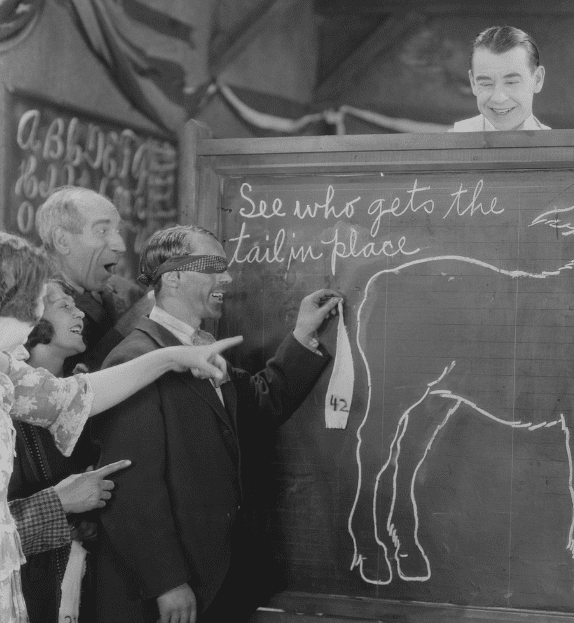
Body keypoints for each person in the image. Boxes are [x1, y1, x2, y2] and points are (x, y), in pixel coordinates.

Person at [89, 225, 340, 623]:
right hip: (176, 590)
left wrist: (303, 333)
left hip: (220, 577)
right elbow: (132, 486)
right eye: (213, 267)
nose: (227, 278)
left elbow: (259, 403)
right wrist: (167, 582)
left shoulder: (199, 345)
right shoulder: (135, 360)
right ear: (173, 277)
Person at [0, 232, 237, 623]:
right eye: (30, 310)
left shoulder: (9, 373)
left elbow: (77, 395)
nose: (32, 329)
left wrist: (172, 356)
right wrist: (57, 504)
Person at [9, 280, 129, 623]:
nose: (80, 313)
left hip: (87, 590)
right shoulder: (9, 409)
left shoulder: (91, 397)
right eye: (64, 306)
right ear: (29, 320)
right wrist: (61, 504)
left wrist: (90, 522)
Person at [35, 187, 152, 371]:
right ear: (62, 240)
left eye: (117, 231)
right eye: (102, 231)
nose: (120, 246)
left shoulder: (129, 292)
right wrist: (133, 320)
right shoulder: (31, 302)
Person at [449, 26, 550, 132]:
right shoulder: (453, 139)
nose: (498, 99)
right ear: (473, 82)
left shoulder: (555, 142)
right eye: (486, 84)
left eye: (511, 82)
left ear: (537, 79)